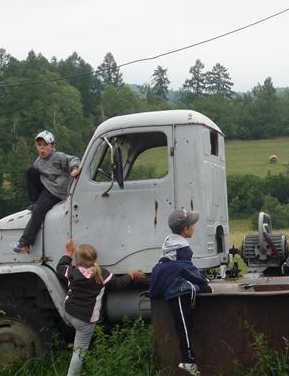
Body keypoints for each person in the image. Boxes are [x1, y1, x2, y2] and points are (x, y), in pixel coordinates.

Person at [56, 239, 146, 376]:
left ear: (77, 260)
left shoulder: (72, 271)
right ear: (94, 258)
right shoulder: (102, 274)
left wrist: (68, 252)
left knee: (78, 342)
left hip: (70, 312)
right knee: (79, 351)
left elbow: (60, 267)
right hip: (85, 320)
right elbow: (120, 283)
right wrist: (131, 275)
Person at [149, 209, 212, 376]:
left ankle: (188, 359)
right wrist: (204, 283)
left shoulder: (170, 241)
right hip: (175, 287)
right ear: (185, 229)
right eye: (192, 225)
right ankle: (188, 360)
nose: (194, 227)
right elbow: (187, 269)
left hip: (168, 282)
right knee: (183, 323)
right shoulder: (183, 248)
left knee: (184, 321)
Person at [14, 130, 81, 253]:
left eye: (45, 145)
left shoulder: (58, 156)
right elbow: (35, 178)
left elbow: (73, 159)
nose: (42, 148)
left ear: (52, 145)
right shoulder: (38, 162)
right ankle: (35, 202)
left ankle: (25, 243)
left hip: (57, 190)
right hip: (46, 187)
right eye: (39, 145)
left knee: (38, 210)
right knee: (30, 171)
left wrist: (74, 169)